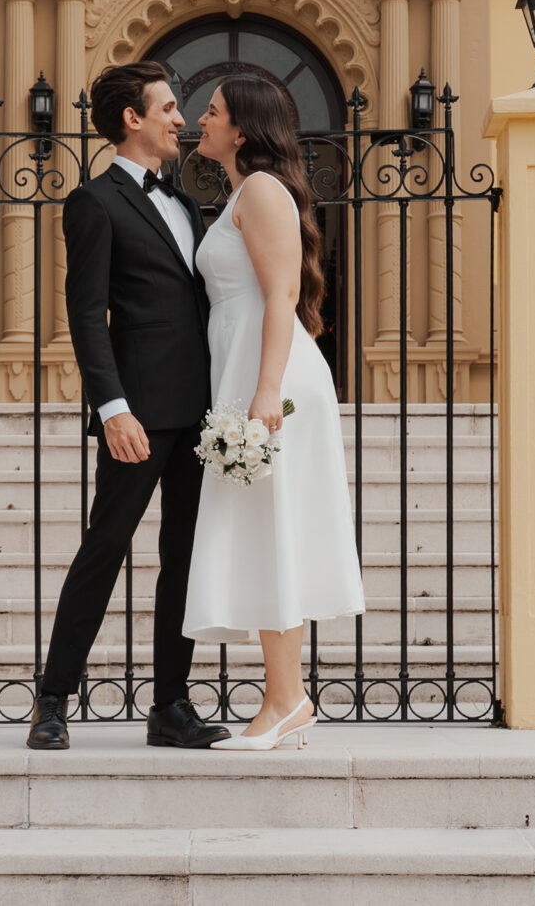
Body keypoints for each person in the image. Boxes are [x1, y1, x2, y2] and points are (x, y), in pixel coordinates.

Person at [29, 61, 234, 751]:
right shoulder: (94, 202)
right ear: (132, 117)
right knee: (105, 546)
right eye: (169, 107)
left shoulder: (184, 202)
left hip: (200, 412)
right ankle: (53, 699)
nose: (181, 119)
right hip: (138, 413)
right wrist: (112, 407)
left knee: (184, 556)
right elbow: (87, 314)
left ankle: (170, 705)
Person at [180, 73, 367, 751]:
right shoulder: (243, 192)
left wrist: (264, 391)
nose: (200, 120)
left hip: (272, 380)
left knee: (274, 528)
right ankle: (287, 697)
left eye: (213, 111)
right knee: (267, 532)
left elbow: (282, 294)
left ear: (242, 130)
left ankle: (286, 699)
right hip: (248, 371)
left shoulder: (260, 190)